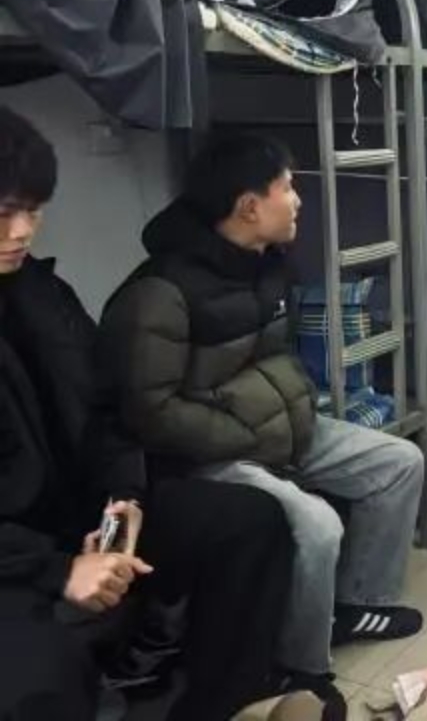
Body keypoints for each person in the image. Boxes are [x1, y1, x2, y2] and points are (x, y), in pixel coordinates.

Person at [99, 133, 425, 707]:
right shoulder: (158, 294)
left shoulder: (264, 263)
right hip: (211, 452)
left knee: (399, 462)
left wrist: (287, 417)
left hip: (279, 429)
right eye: (288, 187)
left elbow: (267, 360)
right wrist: (246, 437)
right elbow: (150, 410)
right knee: (317, 525)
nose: (298, 200)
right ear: (249, 206)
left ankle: (356, 604)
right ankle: (298, 665)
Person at [0, 108, 302, 721]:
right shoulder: (161, 291)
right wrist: (57, 571)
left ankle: (219, 707)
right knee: (38, 673)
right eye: (5, 213)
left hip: (74, 512)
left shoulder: (39, 294)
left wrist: (123, 501)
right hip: (15, 554)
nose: (23, 230)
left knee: (250, 521)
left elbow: (104, 406)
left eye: (33, 210)